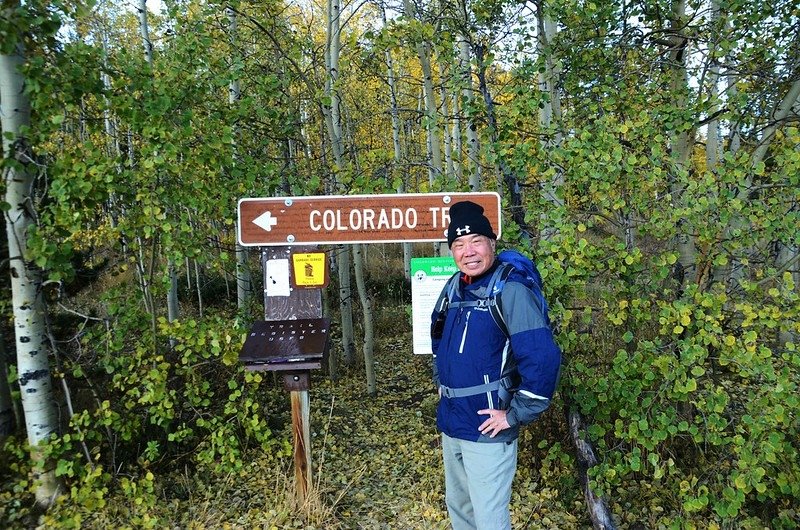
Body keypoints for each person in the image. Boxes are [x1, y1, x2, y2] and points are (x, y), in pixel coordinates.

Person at [431, 200, 562, 530]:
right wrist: (441, 378)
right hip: (453, 423)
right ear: (452, 250)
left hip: (488, 428)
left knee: (489, 520)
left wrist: (516, 413)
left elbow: (542, 358)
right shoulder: (453, 288)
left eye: (476, 240)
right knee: (460, 510)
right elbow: (439, 338)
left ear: (492, 242)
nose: (468, 251)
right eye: (459, 244)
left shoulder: (512, 290)